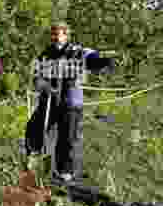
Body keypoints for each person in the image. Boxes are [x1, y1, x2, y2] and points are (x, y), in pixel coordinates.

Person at [24, 22, 114, 183]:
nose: (54, 37)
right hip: (50, 99)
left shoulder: (76, 51)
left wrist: (102, 61)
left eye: (57, 34)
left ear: (66, 35)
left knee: (67, 138)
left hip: (70, 100)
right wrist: (43, 84)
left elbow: (91, 57)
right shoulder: (46, 53)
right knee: (34, 127)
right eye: (52, 34)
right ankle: (32, 159)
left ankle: (64, 173)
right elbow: (37, 76)